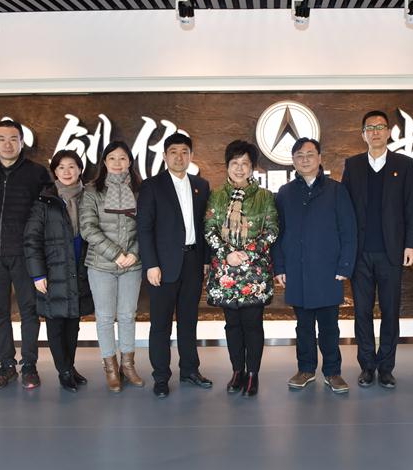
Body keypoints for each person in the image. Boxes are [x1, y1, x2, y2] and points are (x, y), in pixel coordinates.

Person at [273, 138, 357, 394]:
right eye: (299, 155)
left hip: (328, 270)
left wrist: (345, 266)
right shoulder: (285, 193)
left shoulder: (336, 190)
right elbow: (277, 233)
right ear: (293, 161)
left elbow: (349, 231)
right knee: (303, 327)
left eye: (310, 154)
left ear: (320, 158)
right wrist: (279, 267)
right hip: (297, 270)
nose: (305, 159)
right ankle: (306, 369)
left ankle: (333, 372)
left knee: (330, 326)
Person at [0, 119, 52, 391]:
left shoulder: (37, 173)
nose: (8, 144)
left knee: (30, 311)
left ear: (21, 141)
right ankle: (6, 365)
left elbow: (45, 215)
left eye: (13, 138)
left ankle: (29, 365)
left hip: (25, 254)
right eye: (2, 138)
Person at [341, 110, 413, 389]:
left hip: (391, 252)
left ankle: (386, 367)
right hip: (360, 254)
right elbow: (344, 210)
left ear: (388, 132)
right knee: (361, 312)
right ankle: (367, 366)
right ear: (363, 134)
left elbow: (411, 208)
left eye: (380, 127)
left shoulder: (404, 164)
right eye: (370, 128)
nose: (375, 132)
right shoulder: (353, 165)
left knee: (390, 311)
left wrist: (411, 244)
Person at [137, 133, 212, 398]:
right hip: (162, 265)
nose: (179, 157)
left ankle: (190, 370)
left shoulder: (201, 185)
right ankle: (161, 376)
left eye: (184, 152)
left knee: (189, 321)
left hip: (193, 262)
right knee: (160, 325)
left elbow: (205, 226)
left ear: (191, 156)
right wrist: (151, 264)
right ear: (165, 156)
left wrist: (205, 260)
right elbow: (144, 228)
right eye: (173, 152)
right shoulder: (152, 186)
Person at [205, 140, 278, 397]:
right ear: (227, 166)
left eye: (244, 163)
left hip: (253, 273)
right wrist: (227, 253)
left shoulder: (265, 196)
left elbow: (272, 230)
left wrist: (247, 254)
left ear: (252, 167)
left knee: (252, 324)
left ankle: (253, 374)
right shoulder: (216, 195)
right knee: (232, 325)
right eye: (234, 163)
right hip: (226, 272)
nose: (239, 168)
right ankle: (237, 371)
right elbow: (209, 229)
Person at [24, 150, 94, 393]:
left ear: (80, 170)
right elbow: (31, 240)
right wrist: (37, 274)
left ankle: (70, 367)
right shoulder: (45, 200)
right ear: (54, 171)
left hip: (79, 269)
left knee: (73, 324)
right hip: (53, 272)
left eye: (72, 166)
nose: (67, 171)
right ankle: (63, 371)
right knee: (55, 325)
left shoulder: (89, 197)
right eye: (61, 167)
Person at [79, 142, 143, 392]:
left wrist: (134, 253)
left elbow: (146, 225)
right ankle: (110, 368)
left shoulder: (139, 190)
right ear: (104, 162)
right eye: (112, 158)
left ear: (130, 162)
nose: (118, 163)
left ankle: (128, 366)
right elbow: (88, 227)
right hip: (101, 264)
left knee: (127, 315)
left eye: (123, 158)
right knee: (105, 318)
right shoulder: (92, 190)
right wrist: (116, 254)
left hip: (132, 264)